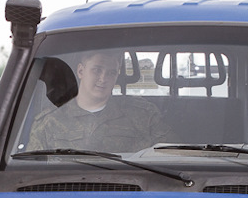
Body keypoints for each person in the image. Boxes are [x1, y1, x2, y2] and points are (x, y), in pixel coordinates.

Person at [26, 50, 171, 153]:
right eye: (97, 70)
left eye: (111, 73)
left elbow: (174, 156)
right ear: (81, 71)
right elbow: (31, 174)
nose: (103, 79)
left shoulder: (144, 115)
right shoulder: (49, 122)